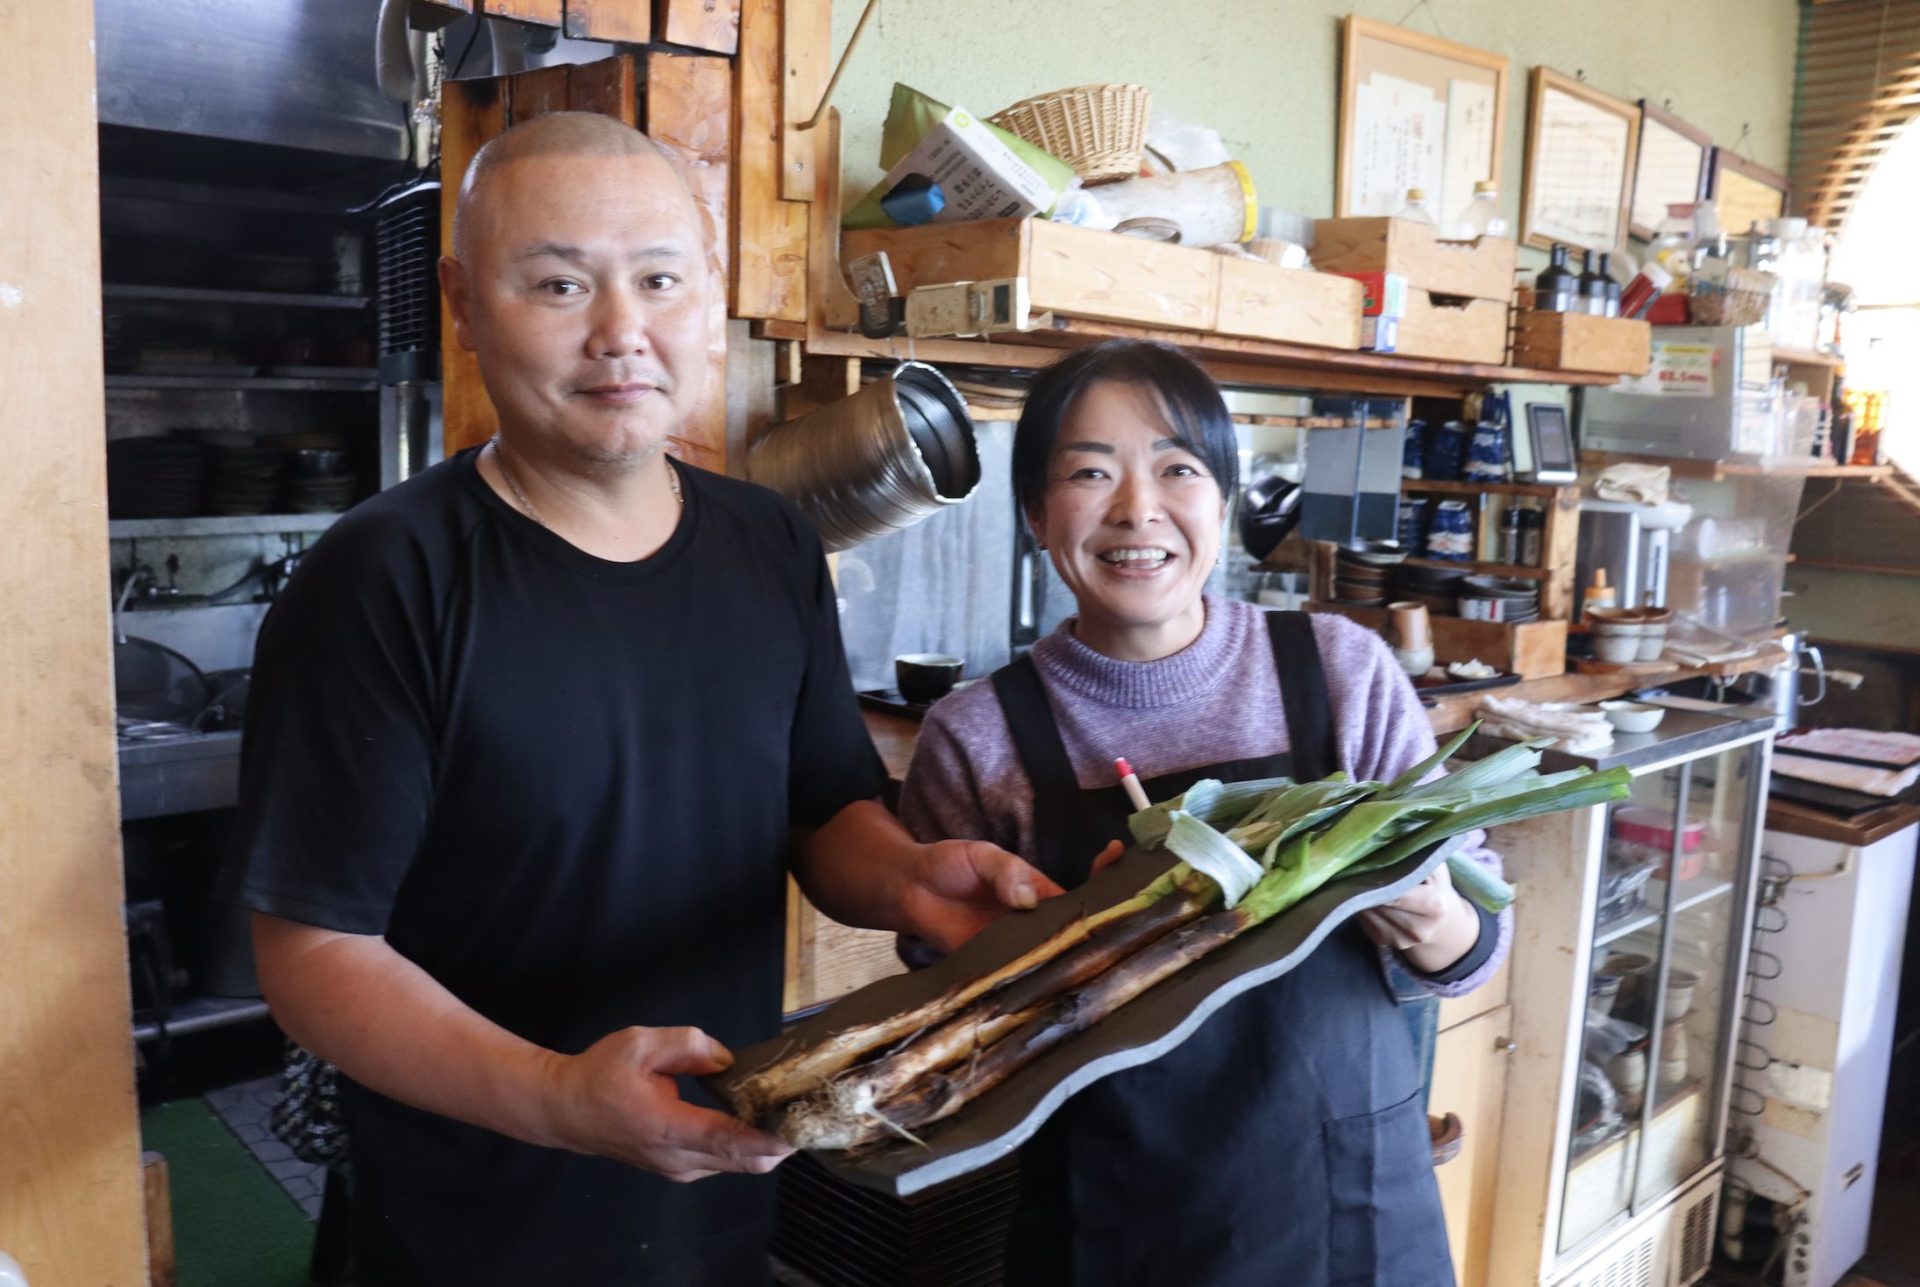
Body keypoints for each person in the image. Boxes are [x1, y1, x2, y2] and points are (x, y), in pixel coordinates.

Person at [220, 111, 1059, 1286]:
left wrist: (908, 876)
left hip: (717, 1197)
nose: (623, 333)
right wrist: (561, 1097)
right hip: (469, 1225)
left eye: (660, 280)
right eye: (559, 285)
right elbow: (313, 951)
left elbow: (823, 812)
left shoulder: (769, 542)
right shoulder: (384, 576)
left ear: (706, 291)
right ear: (463, 303)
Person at [898, 339, 1512, 1286]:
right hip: (1111, 1221)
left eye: (1178, 469)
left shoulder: (1338, 671)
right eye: (1090, 473)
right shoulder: (979, 735)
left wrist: (1433, 915)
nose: (1137, 509)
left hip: (1350, 1209)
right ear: (1035, 512)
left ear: (1222, 503)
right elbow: (954, 1021)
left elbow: (1477, 947)